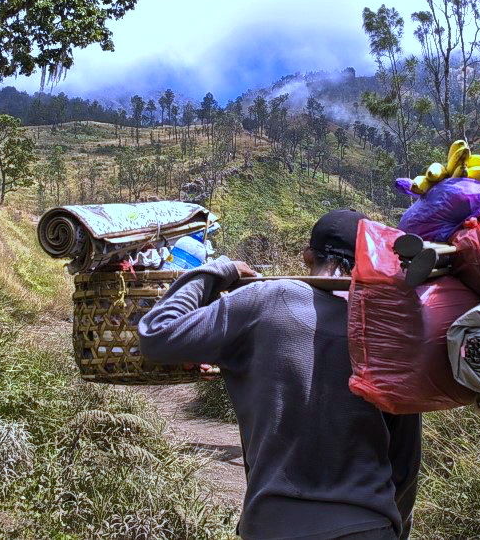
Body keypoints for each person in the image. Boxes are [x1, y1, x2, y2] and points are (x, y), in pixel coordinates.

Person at [138, 209, 421, 540]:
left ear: (307, 255)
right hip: (368, 524)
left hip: (272, 524)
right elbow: (405, 462)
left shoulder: (263, 300)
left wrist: (219, 270)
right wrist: (391, 526)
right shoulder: (386, 331)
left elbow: (157, 334)